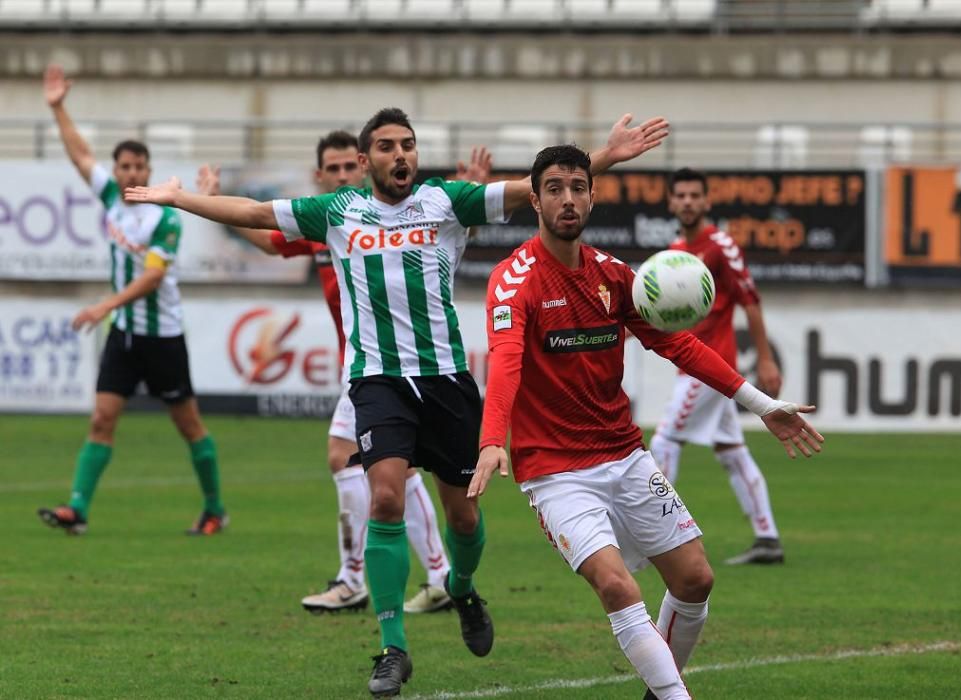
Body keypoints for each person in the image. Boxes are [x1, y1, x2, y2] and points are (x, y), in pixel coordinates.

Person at [124, 107, 670, 698]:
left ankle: (461, 588)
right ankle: (392, 649)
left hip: (445, 381)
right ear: (366, 162)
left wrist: (606, 157)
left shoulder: (445, 202)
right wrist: (176, 199)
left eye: (407, 144)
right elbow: (254, 213)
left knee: (464, 516)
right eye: (386, 146)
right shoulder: (337, 211)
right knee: (384, 496)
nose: (400, 154)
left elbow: (538, 187)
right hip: (377, 381)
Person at [468, 145, 823, 700]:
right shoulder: (514, 281)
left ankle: (658, 693)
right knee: (616, 585)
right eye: (555, 188)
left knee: (695, 579)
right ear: (534, 199)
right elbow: (506, 362)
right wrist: (493, 441)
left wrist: (760, 403)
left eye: (578, 186)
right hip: (557, 472)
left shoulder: (614, 276)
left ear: (593, 195)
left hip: (626, 456)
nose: (568, 198)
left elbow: (679, 344)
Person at [195, 133, 492, 615]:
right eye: (329, 170)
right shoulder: (327, 223)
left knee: (356, 461)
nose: (339, 176)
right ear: (320, 177)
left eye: (344, 168)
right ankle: (421, 575)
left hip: (391, 370)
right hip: (366, 370)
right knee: (374, 468)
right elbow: (267, 239)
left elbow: (446, 239)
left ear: (362, 168)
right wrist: (210, 202)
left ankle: (380, 577)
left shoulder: (378, 215)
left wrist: (472, 212)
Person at [36, 65, 227, 536]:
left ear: (148, 171)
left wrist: (105, 305)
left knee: (189, 427)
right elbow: (80, 154)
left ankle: (214, 510)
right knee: (102, 418)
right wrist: (59, 107)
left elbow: (152, 279)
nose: (130, 173)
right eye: (124, 167)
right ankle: (76, 510)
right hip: (124, 336)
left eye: (139, 167)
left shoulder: (165, 217)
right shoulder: (111, 199)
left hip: (162, 337)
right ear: (118, 170)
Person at [649, 167, 787, 565]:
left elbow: (750, 300)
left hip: (710, 367)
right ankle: (768, 538)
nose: (689, 202)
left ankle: (654, 535)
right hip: (691, 364)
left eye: (696, 195)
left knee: (664, 443)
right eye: (682, 196)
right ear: (671, 202)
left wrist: (764, 357)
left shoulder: (721, 245)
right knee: (732, 451)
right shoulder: (674, 253)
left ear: (707, 202)